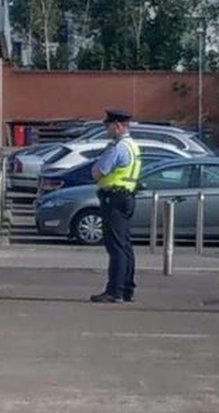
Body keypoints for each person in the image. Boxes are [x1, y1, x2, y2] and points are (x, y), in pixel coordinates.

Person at [89, 109, 142, 303]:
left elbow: (98, 172)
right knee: (125, 245)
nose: (107, 129)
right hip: (127, 197)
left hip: (114, 198)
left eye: (108, 126)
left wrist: (96, 168)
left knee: (116, 247)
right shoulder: (132, 146)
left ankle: (115, 291)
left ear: (118, 125)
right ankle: (127, 289)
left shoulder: (117, 148)